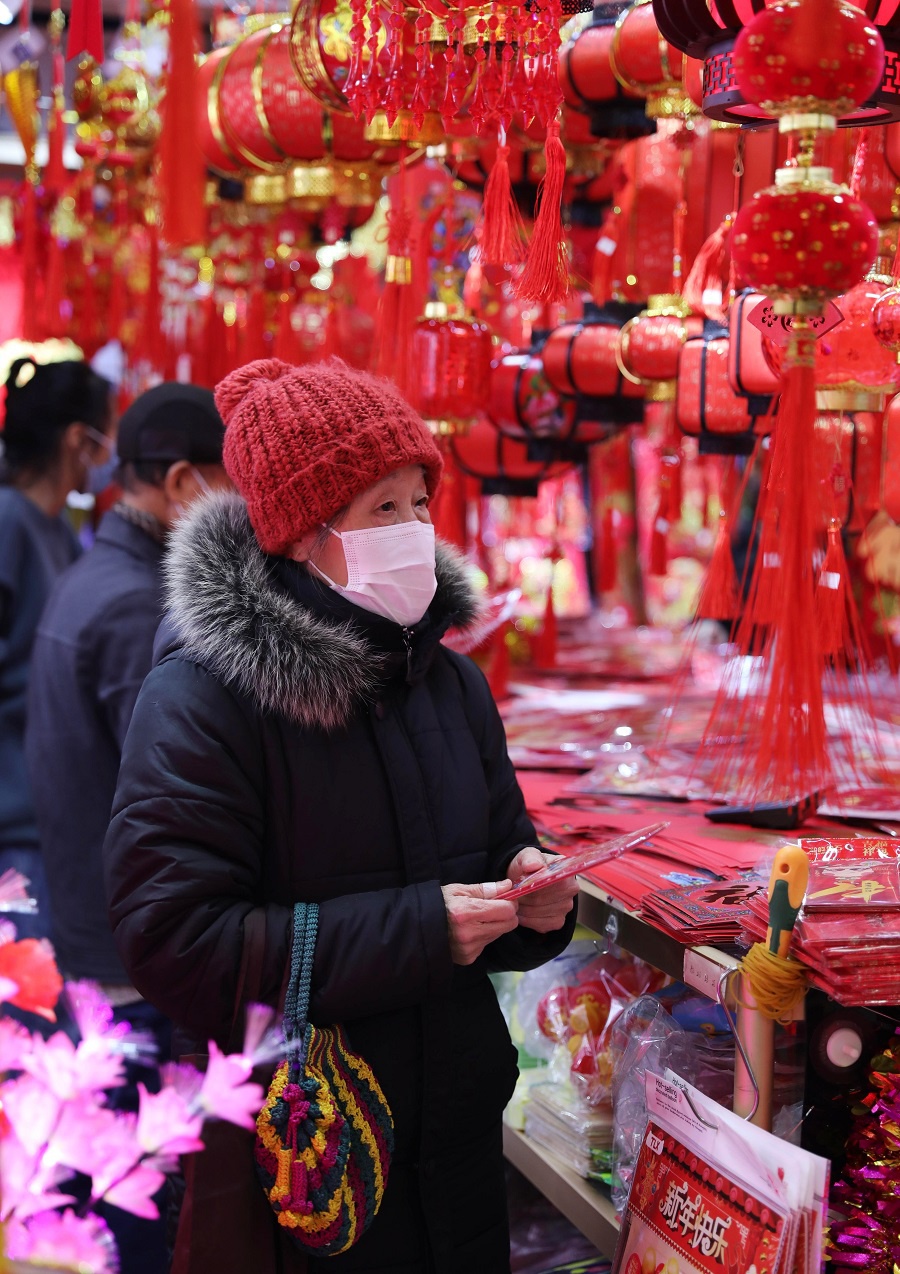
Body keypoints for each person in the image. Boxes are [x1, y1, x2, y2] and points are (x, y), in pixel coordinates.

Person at [103, 358, 579, 1274]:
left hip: (460, 1144)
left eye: (418, 501)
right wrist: (423, 928)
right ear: (298, 537)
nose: (413, 533)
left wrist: (532, 894)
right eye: (379, 511)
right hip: (315, 1160)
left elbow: (497, 847)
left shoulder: (452, 684)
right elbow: (173, 941)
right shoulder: (206, 699)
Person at [25, 381, 230, 1274]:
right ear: (184, 483)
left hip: (95, 937)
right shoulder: (132, 606)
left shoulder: (98, 577)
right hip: (129, 961)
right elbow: (175, 803)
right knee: (139, 1210)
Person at [0, 353, 114, 937]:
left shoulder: (56, 533)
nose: (106, 457)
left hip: (43, 819)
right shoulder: (8, 523)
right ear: (78, 440)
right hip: (13, 826)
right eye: (103, 439)